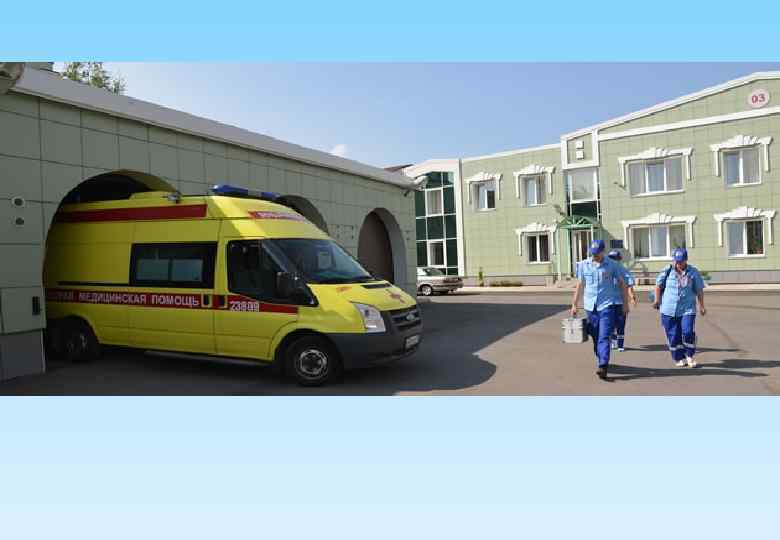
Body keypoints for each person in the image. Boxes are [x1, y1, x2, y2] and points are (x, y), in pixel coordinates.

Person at [570, 239, 630, 380]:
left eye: (597, 253)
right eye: (593, 253)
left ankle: (603, 365)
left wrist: (625, 304)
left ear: (603, 252)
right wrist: (574, 304)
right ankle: (601, 357)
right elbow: (580, 285)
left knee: (604, 335)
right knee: (596, 336)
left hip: (607, 305)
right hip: (590, 306)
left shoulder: (613, 265)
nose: (595, 256)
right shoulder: (584, 265)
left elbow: (622, 284)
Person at [652, 247, 706, 368]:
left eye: (681, 261)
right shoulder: (667, 270)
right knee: (673, 335)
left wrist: (702, 306)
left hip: (687, 308)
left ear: (686, 260)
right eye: (676, 261)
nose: (678, 264)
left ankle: (690, 356)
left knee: (687, 331)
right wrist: (657, 300)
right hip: (669, 309)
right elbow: (658, 286)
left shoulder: (693, 272)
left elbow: (699, 290)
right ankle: (678, 357)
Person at [607, 249, 637, 352]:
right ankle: (613, 341)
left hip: (621, 301)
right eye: (611, 258)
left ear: (619, 259)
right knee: (610, 323)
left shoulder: (623, 270)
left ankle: (620, 344)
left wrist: (632, 297)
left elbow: (629, 285)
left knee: (620, 323)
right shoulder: (606, 270)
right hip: (608, 302)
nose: (613, 260)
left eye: (615, 258)